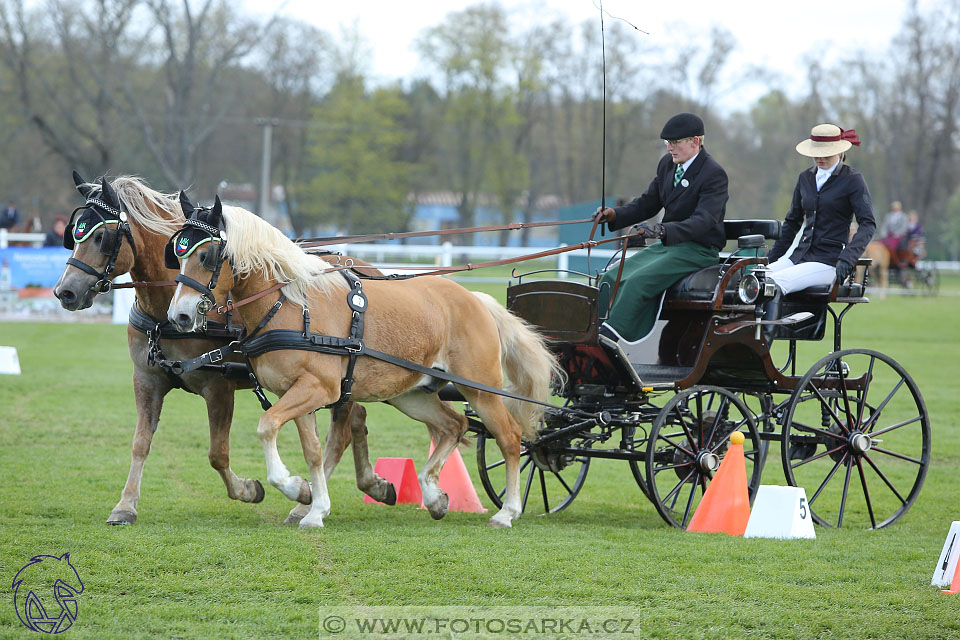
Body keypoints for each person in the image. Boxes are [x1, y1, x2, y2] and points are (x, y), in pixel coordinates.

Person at [593, 112, 728, 344]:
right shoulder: (668, 165)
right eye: (668, 143)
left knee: (638, 283)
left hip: (698, 250)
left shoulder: (713, 174)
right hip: (668, 247)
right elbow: (648, 202)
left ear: (694, 142)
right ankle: (591, 332)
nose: (669, 148)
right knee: (609, 277)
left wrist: (665, 230)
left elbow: (704, 220)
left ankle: (614, 339)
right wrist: (615, 215)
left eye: (675, 143)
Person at [765, 123, 876, 296]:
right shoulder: (805, 178)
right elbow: (792, 223)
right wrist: (771, 259)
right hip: (799, 256)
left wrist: (848, 258)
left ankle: (770, 324)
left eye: (826, 154)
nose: (820, 159)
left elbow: (868, 224)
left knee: (775, 284)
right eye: (816, 154)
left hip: (830, 262)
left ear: (839, 151)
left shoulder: (853, 180)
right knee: (753, 279)